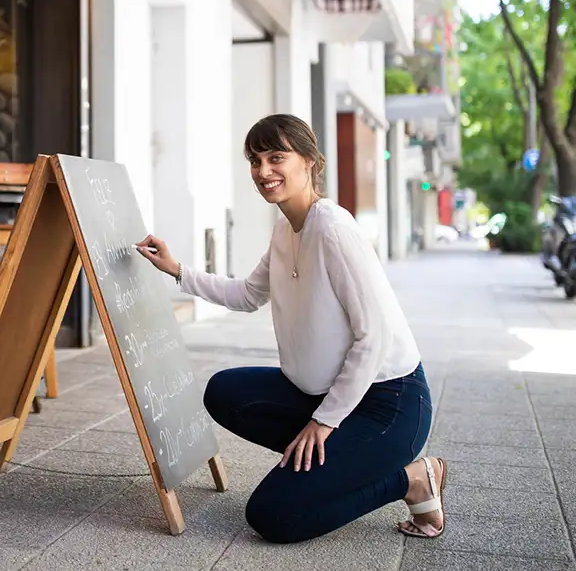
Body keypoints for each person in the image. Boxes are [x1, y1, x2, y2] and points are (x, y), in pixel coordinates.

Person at [135, 114, 445, 544]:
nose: (263, 171)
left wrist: (324, 422)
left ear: (311, 162)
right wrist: (176, 270)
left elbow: (374, 336)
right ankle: (331, 467)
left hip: (387, 404)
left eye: (276, 157)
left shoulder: (334, 229)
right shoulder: (285, 229)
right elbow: (247, 294)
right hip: (322, 395)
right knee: (224, 391)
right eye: (255, 160)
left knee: (274, 516)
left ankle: (410, 478)